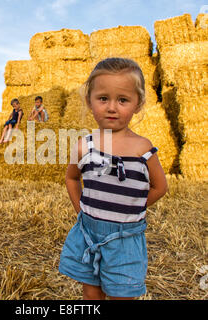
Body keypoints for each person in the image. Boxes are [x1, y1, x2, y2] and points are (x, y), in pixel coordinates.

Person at [58, 57, 168, 300]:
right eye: (103, 98)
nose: (111, 107)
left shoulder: (143, 147)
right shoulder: (84, 146)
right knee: (91, 293)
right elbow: (72, 179)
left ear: (138, 104)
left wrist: (131, 207)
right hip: (88, 234)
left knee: (122, 294)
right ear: (89, 101)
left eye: (123, 100)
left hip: (124, 239)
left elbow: (160, 186)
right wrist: (81, 211)